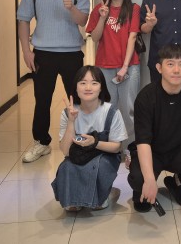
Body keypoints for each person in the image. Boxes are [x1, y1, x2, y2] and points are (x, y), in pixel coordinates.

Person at [17, 0, 90, 163]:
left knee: (77, 99)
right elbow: (23, 20)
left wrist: (71, 8)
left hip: (72, 54)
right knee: (42, 100)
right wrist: (26, 51)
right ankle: (41, 142)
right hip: (43, 54)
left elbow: (83, 21)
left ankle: (79, 140)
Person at [127, 44, 181, 212]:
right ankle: (141, 189)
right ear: (159, 68)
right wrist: (149, 180)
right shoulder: (146, 97)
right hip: (152, 150)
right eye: (170, 64)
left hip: (179, 149)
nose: (176, 70)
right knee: (139, 178)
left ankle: (177, 181)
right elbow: (143, 141)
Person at [51, 66, 127, 211]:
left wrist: (95, 143)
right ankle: (80, 198)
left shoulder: (111, 111)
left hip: (105, 156)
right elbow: (66, 151)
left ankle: (103, 193)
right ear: (76, 88)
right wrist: (71, 121)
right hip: (77, 156)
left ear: (101, 88)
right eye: (82, 83)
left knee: (97, 170)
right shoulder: (68, 113)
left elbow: (117, 147)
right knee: (67, 167)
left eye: (94, 83)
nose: (88, 87)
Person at [85, 0, 140, 161]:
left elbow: (132, 37)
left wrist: (124, 67)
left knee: (129, 110)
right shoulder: (99, 9)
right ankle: (111, 148)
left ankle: (130, 148)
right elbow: (95, 38)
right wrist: (102, 17)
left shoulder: (133, 8)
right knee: (107, 108)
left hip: (129, 66)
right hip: (104, 66)